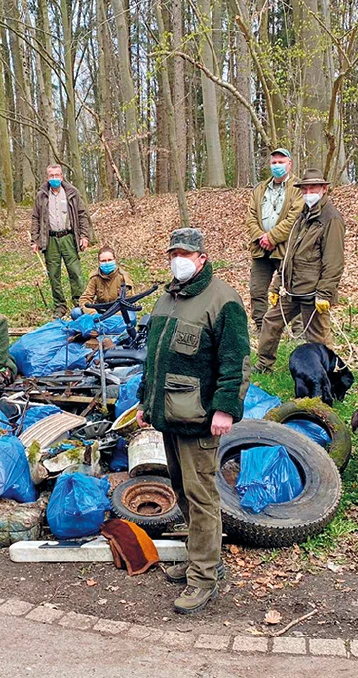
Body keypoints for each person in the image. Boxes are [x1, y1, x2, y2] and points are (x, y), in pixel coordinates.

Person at [136, 228, 250, 615]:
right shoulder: (168, 298)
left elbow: (236, 362)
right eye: (173, 253)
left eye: (185, 253)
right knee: (183, 491)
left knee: (202, 497)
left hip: (200, 417)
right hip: (168, 415)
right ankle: (202, 559)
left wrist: (225, 408)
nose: (177, 259)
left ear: (201, 258)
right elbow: (154, 359)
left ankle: (204, 578)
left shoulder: (223, 300)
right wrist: (143, 402)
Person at [255, 168, 345, 373]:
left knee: (317, 339)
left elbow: (334, 261)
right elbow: (289, 255)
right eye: (305, 188)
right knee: (271, 321)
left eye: (313, 187)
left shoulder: (331, 219)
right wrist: (277, 286)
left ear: (323, 189)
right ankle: (263, 365)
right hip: (292, 289)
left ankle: (330, 377)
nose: (308, 191)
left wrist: (324, 293)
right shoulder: (301, 216)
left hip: (313, 292)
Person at [245, 148, 304, 332]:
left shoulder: (298, 188)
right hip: (260, 248)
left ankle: (298, 329)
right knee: (257, 290)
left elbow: (294, 217)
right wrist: (261, 237)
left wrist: (272, 237)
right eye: (274, 163)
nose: (277, 166)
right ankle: (262, 326)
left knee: (293, 289)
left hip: (285, 248)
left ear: (289, 164)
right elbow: (251, 216)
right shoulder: (260, 189)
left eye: (281, 162)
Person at [30, 164, 91, 317]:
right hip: (50, 240)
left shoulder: (72, 193)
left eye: (57, 175)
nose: (55, 178)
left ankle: (79, 303)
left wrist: (84, 236)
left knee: (75, 272)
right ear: (47, 178)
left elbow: (82, 214)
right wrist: (35, 240)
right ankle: (60, 306)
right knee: (53, 274)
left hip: (68, 238)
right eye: (52, 176)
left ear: (62, 177)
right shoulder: (41, 195)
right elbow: (35, 218)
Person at [77, 246, 134, 314]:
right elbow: (85, 299)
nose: (107, 263)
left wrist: (111, 316)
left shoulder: (123, 277)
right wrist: (93, 313)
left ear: (115, 260)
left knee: (131, 316)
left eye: (109, 260)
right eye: (103, 261)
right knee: (76, 312)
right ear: (99, 262)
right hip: (99, 311)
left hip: (118, 312)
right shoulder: (95, 277)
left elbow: (129, 301)